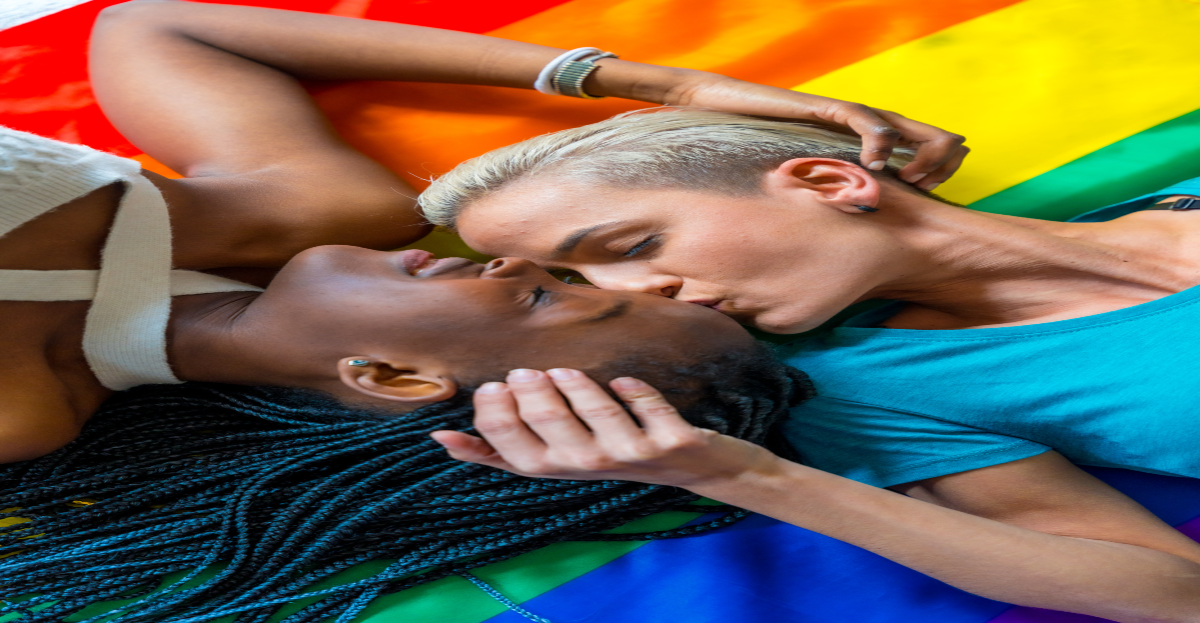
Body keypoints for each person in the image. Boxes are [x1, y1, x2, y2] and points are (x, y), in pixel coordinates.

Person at [0, 0, 966, 464]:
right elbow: (149, 28)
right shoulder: (326, 212)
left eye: (546, 296)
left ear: (388, 377)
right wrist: (664, 86)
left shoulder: (21, 413)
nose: (504, 258)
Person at [421, 108, 1200, 623]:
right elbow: (1175, 595)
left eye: (629, 248)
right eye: (585, 287)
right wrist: (741, 477)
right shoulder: (868, 387)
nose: (635, 292)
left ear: (831, 182)